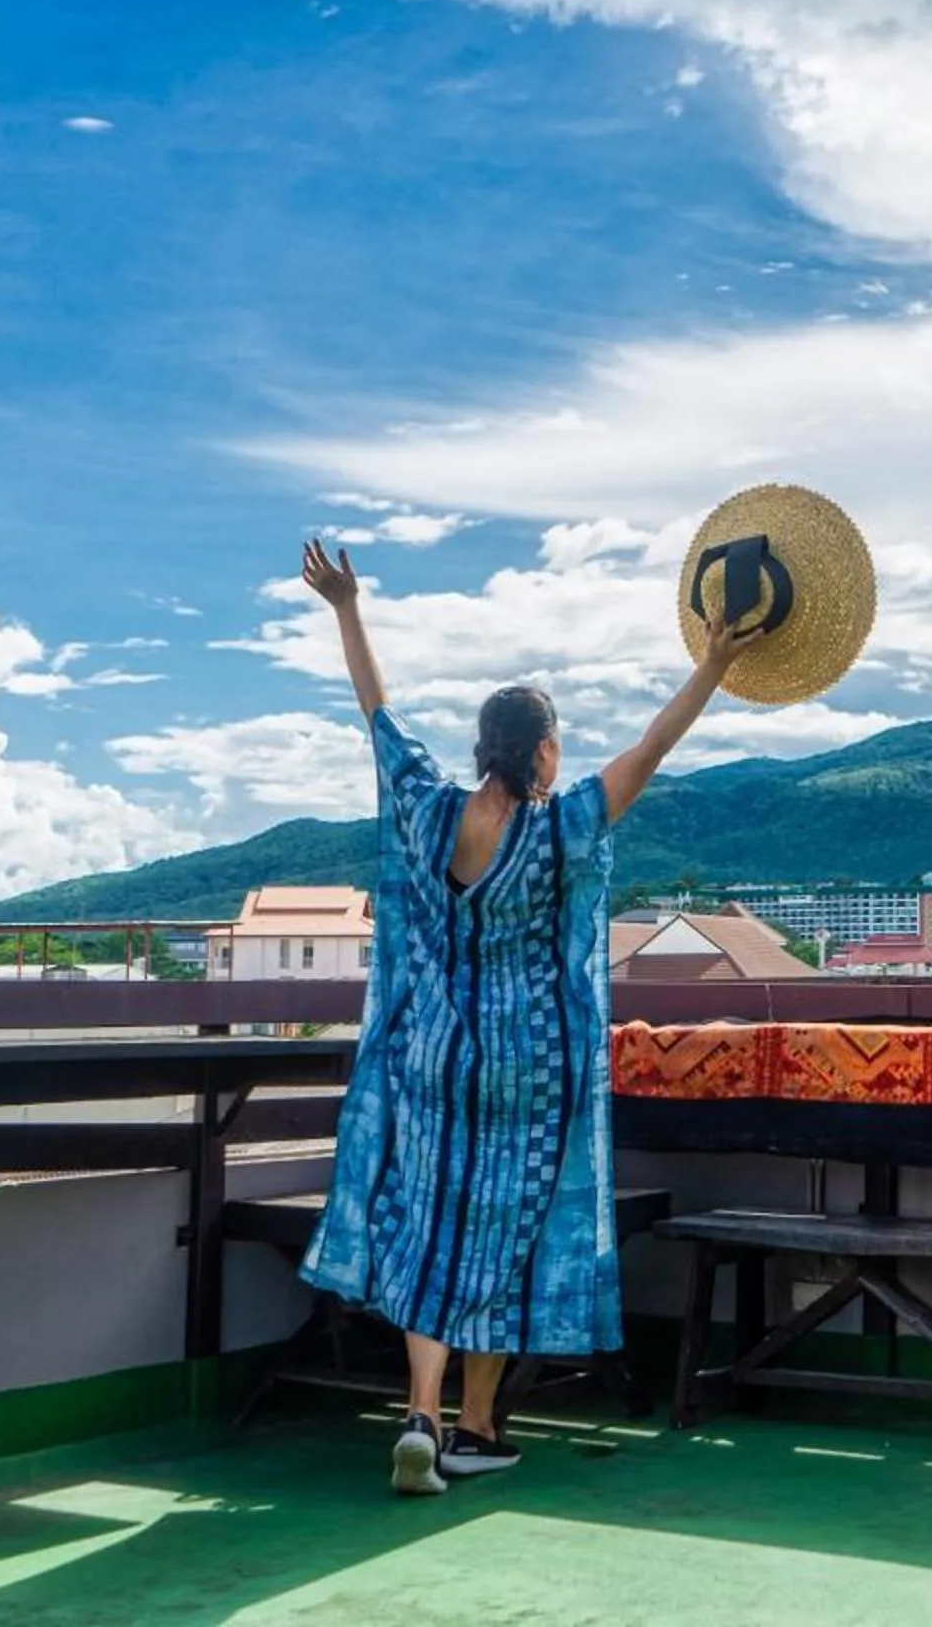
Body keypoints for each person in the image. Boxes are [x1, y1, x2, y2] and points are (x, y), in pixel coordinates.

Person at [292, 539, 755, 1493]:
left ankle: (416, 1411)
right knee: (500, 1242)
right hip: (525, 1076)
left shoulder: (426, 811)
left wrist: (347, 607)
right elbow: (655, 748)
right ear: (543, 750)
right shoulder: (562, 826)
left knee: (426, 1227)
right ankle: (472, 1426)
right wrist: (714, 661)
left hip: (431, 1062)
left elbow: (376, 714)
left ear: (479, 750)